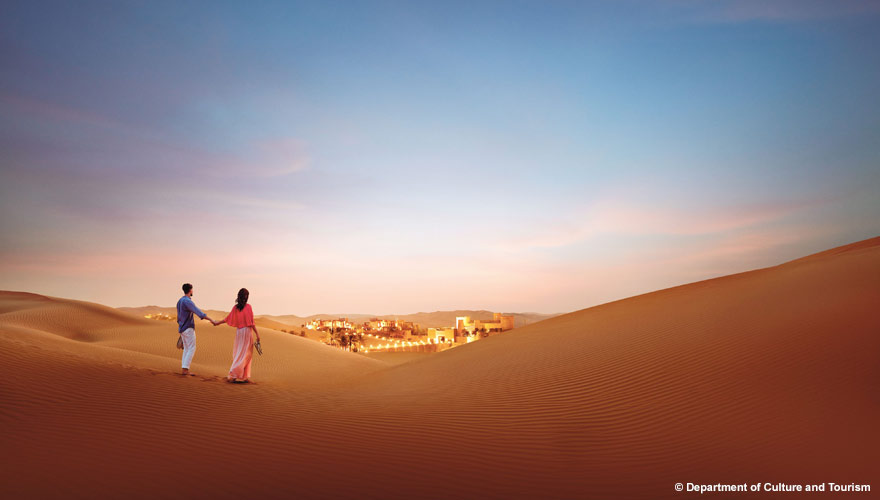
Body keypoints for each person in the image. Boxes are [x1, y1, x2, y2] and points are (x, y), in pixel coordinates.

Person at [213, 288, 261, 383]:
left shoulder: (235, 308)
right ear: (246, 297)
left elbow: (227, 318)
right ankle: (234, 374)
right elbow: (252, 323)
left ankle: (244, 376)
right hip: (247, 333)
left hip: (239, 333)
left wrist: (217, 323)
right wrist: (257, 334)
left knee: (240, 353)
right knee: (246, 354)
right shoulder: (248, 307)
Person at [176, 283, 217, 376]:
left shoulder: (180, 301)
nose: (192, 291)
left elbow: (178, 317)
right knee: (191, 348)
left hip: (182, 328)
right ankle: (185, 369)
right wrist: (211, 320)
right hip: (188, 328)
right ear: (190, 290)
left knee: (187, 348)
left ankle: (184, 368)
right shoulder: (187, 301)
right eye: (192, 289)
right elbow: (199, 313)